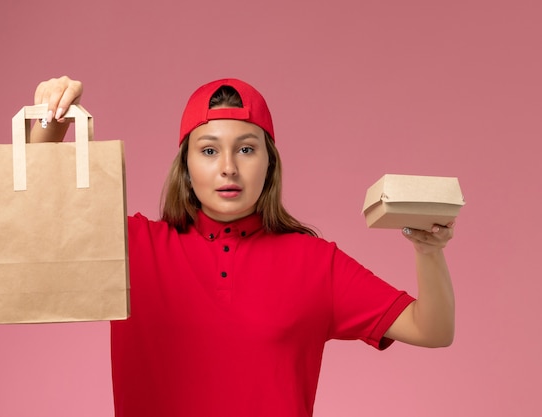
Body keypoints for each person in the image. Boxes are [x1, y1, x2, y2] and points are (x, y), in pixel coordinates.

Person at [30, 76, 455, 417]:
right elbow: (39, 232)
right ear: (186, 166)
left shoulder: (315, 262)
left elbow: (431, 329)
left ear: (269, 163)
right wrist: (49, 125)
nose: (228, 167)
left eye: (247, 149)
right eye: (209, 150)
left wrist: (427, 250)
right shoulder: (133, 248)